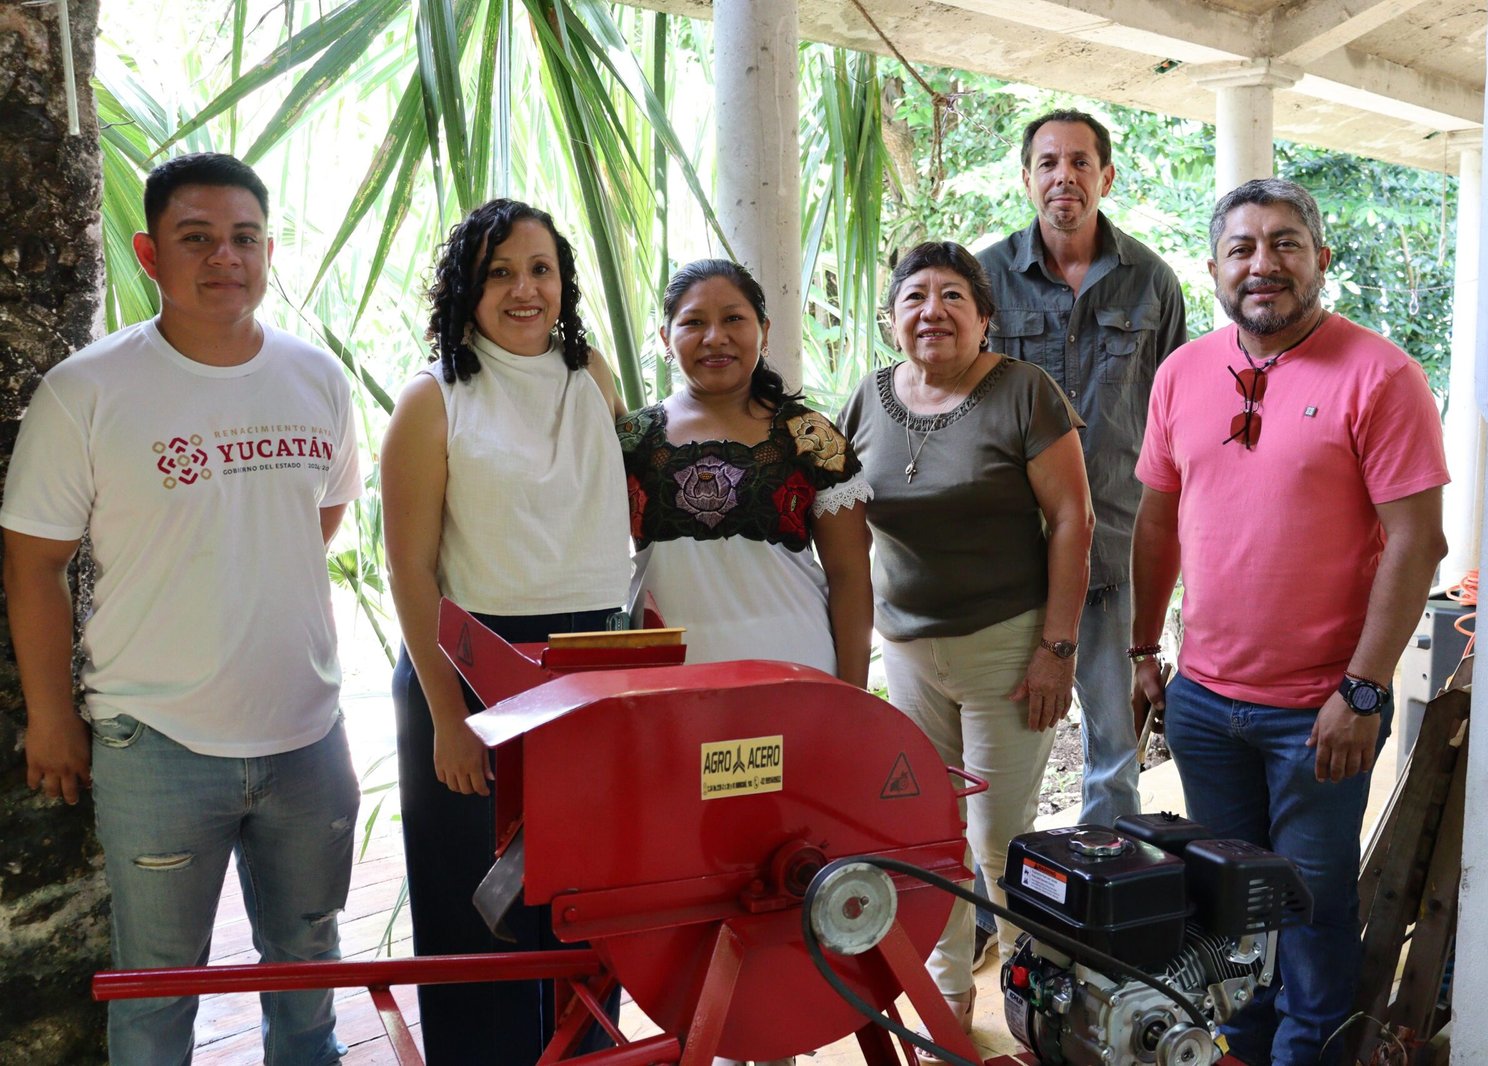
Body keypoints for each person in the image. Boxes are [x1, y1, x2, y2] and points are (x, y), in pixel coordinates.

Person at [1, 152, 361, 1064]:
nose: (224, 257)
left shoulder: (318, 378)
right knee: (157, 989)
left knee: (309, 970)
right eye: (196, 238)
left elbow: (315, 522)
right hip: (156, 741)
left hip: (307, 735)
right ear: (149, 253)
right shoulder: (87, 390)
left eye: (244, 238)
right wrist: (51, 716)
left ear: (269, 250)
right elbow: (33, 564)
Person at [1129, 178, 1449, 1065]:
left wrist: (1364, 689)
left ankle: (1308, 1055)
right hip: (1204, 704)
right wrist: (1143, 649)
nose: (1262, 264)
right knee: (1230, 901)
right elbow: (1157, 520)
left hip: (1320, 711)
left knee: (1310, 907)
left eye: (1284, 244)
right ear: (1214, 269)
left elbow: (1417, 542)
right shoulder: (1181, 373)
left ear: (1321, 259)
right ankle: (1241, 1050)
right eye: (1242, 248)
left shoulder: (1381, 374)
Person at [380, 199, 630, 1064]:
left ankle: (586, 1055)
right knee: (473, 907)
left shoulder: (591, 372)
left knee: (588, 895)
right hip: (472, 671)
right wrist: (449, 717)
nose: (524, 290)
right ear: (466, 288)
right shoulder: (432, 399)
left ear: (563, 282)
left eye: (540, 270)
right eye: (499, 273)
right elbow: (409, 571)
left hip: (590, 662)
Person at [838, 241, 1095, 1037]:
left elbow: (1074, 519)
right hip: (908, 653)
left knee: (1002, 838)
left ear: (985, 318)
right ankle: (945, 998)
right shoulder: (867, 399)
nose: (933, 311)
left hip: (1007, 647)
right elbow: (838, 523)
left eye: (954, 296)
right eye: (915, 296)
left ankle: (1031, 1005)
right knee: (927, 832)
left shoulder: (1024, 391)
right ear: (891, 319)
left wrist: (1057, 649)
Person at [976, 108, 1187, 830]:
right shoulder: (984, 277)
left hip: (1117, 541)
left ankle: (1108, 872)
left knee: (1113, 740)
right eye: (1048, 162)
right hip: (1011, 549)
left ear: (1107, 176)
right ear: (1026, 178)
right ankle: (1002, 880)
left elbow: (1175, 414)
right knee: (1005, 737)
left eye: (1079, 162)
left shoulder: (1152, 282)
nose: (1063, 176)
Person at [618, 259, 873, 686]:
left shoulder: (811, 438)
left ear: (764, 331)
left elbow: (850, 578)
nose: (715, 337)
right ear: (666, 338)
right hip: (666, 688)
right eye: (694, 322)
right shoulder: (630, 440)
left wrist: (852, 697)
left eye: (733, 319)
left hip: (798, 677)